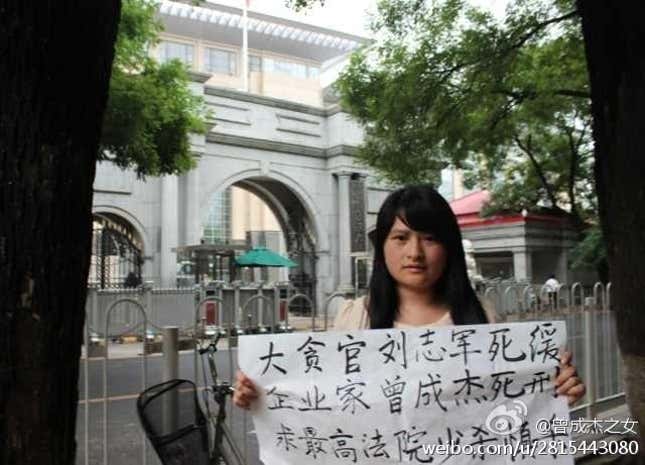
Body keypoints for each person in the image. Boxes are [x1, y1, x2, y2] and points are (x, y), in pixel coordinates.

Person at [233, 185, 585, 409]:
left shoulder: (483, 318)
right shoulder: (354, 318)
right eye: (400, 238)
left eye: (429, 238)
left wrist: (556, 393)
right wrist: (260, 395)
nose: (414, 252)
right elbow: (321, 399)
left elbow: (509, 408)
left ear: (448, 248)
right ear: (383, 248)